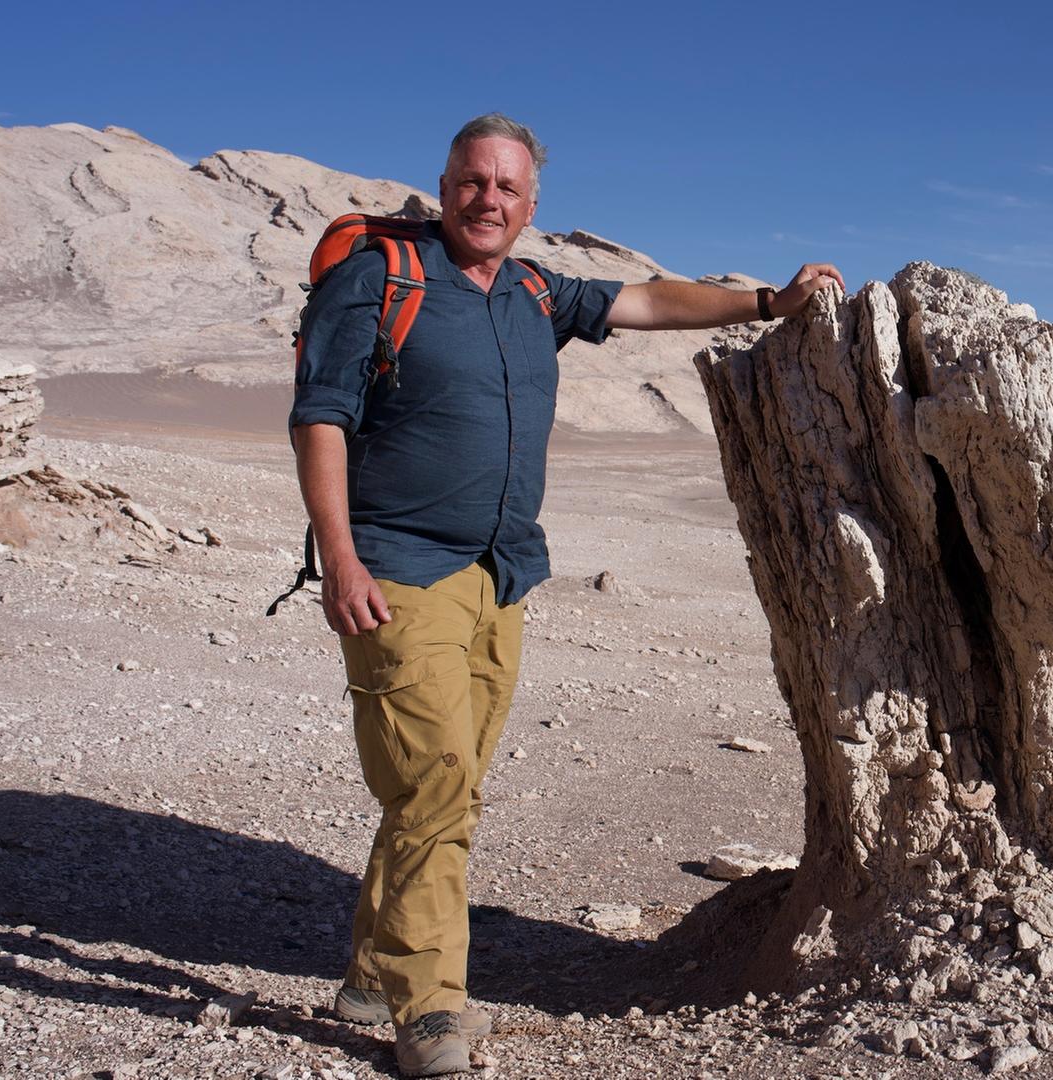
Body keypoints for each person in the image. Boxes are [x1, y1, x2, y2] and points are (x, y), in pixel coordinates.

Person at [288, 112, 842, 1077]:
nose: (487, 200)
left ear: (531, 204)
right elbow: (320, 417)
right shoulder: (381, 277)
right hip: (396, 569)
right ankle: (428, 1008)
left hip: (499, 573)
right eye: (471, 181)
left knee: (446, 782)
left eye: (506, 187)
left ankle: (376, 971)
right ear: (445, 183)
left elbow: (649, 303)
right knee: (435, 779)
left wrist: (765, 301)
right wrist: (338, 556)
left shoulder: (536, 292)